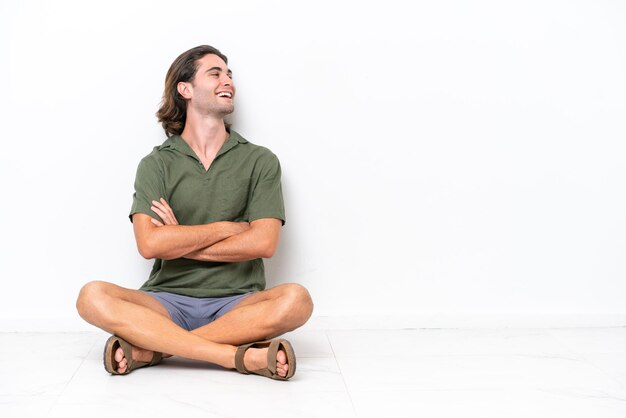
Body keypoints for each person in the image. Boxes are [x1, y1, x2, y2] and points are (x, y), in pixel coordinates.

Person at [76, 45, 313, 381]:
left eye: (229, 74)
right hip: (165, 301)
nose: (227, 80)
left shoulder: (260, 160)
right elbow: (149, 245)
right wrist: (229, 228)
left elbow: (263, 243)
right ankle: (235, 356)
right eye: (215, 73)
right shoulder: (156, 163)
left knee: (297, 300)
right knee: (91, 296)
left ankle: (153, 349)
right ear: (185, 89)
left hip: (238, 302)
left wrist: (178, 237)